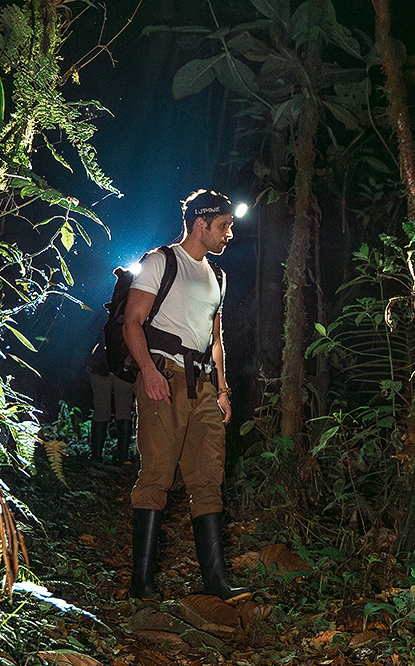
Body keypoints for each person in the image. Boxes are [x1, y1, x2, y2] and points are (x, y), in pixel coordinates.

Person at [122, 189, 250, 602]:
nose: (229, 234)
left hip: (205, 384)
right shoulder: (161, 261)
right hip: (164, 375)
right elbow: (132, 322)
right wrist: (147, 372)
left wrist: (224, 390)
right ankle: (142, 584)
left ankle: (216, 582)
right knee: (156, 475)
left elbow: (216, 341)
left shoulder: (219, 277)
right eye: (225, 226)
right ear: (201, 223)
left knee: (208, 477)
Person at [86, 331, 134, 464]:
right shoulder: (129, 313)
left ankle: (97, 456)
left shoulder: (101, 315)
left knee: (103, 410)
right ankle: (122, 456)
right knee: (123, 410)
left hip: (105, 365)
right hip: (121, 365)